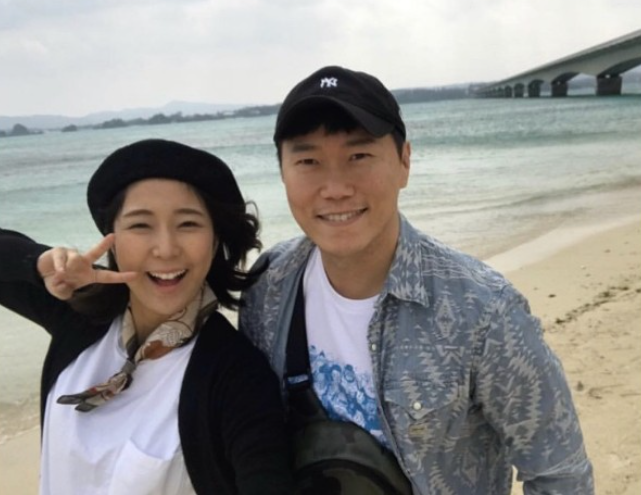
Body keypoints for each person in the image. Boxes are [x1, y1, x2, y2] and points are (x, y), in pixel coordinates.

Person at [239, 66, 594, 494]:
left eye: (358, 156)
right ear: (282, 172)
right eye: (308, 161)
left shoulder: (482, 310)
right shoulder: (269, 288)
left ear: (405, 161)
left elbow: (560, 473)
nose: (335, 188)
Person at [0, 139, 294, 495]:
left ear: (215, 240)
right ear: (112, 239)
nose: (166, 249)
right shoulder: (79, 315)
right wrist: (38, 263)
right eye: (140, 225)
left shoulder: (237, 378)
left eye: (188, 224)